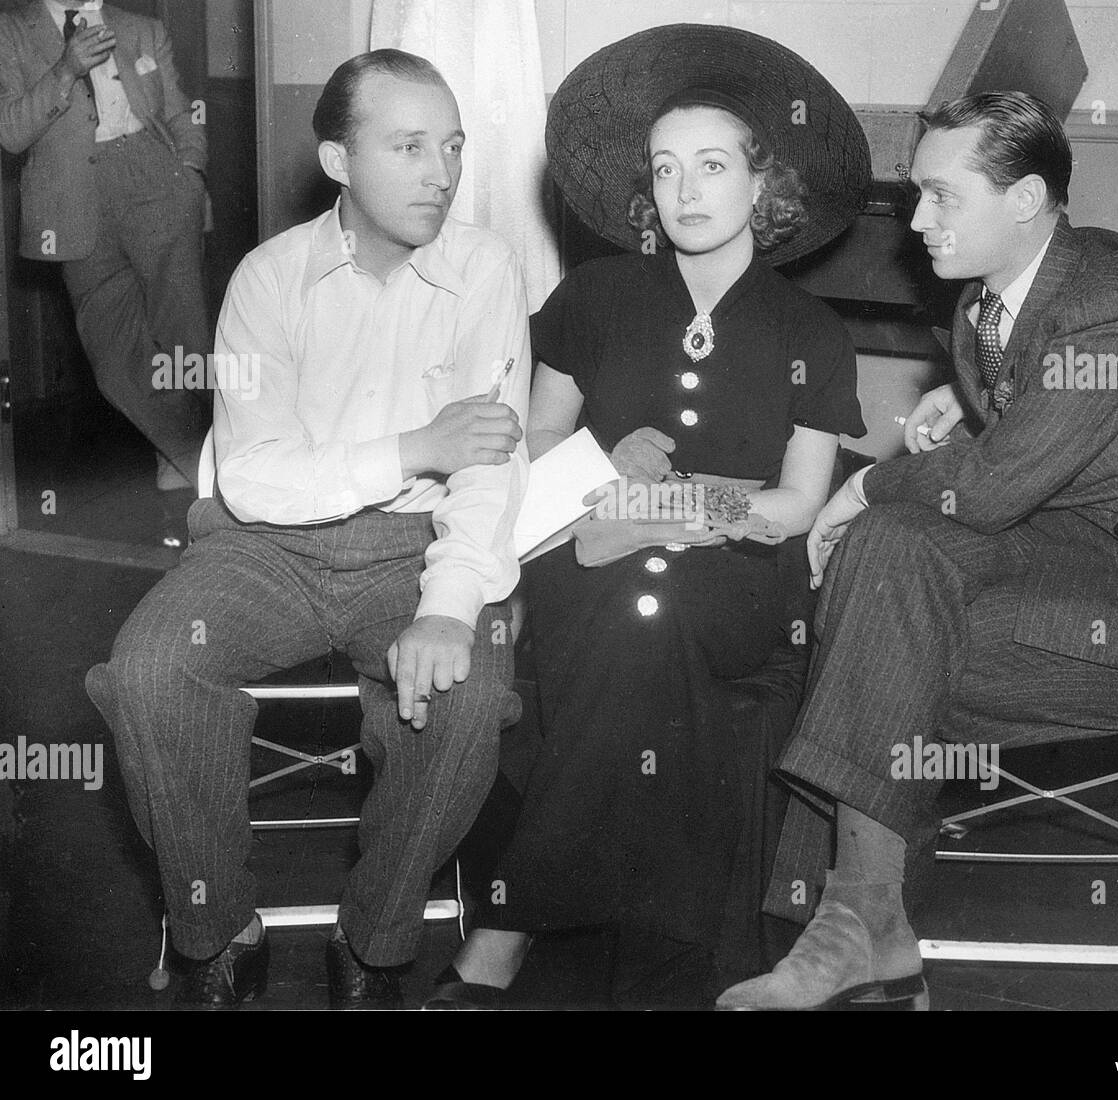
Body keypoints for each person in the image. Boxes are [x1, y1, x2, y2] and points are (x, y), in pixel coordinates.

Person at [717, 90, 1118, 1011]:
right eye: (916, 195)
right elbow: (1035, 425)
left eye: (942, 197)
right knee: (891, 586)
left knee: (876, 619)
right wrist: (969, 405)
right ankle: (854, 919)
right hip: (1088, 553)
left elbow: (988, 490)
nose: (916, 219)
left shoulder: (1112, 308)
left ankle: (848, 919)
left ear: (1024, 200)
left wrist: (857, 486)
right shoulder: (995, 294)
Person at [427, 24, 870, 1008]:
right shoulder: (594, 296)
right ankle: (669, 968)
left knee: (654, 622)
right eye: (666, 169)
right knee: (636, 623)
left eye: (712, 165)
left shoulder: (811, 332)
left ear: (765, 183)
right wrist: (601, 461)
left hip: (739, 580)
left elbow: (797, 504)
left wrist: (668, 503)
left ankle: (502, 935)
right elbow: (533, 447)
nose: (685, 190)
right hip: (586, 556)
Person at [83, 49, 530, 1008]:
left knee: (468, 693)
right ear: (336, 160)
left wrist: (450, 608)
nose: (442, 173)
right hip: (263, 547)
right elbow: (252, 478)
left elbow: (490, 470)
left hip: (415, 549)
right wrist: (418, 443)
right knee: (153, 666)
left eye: (451, 146)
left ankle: (374, 939)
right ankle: (217, 929)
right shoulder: (267, 279)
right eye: (409, 146)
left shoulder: (487, 269)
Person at [0, 1, 209, 492]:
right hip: (73, 195)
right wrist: (66, 68)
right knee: (112, 354)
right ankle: (195, 452)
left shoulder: (142, 28)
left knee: (186, 338)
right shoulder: (11, 31)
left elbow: (180, 112)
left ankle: (187, 457)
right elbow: (11, 133)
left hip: (157, 176)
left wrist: (190, 175)